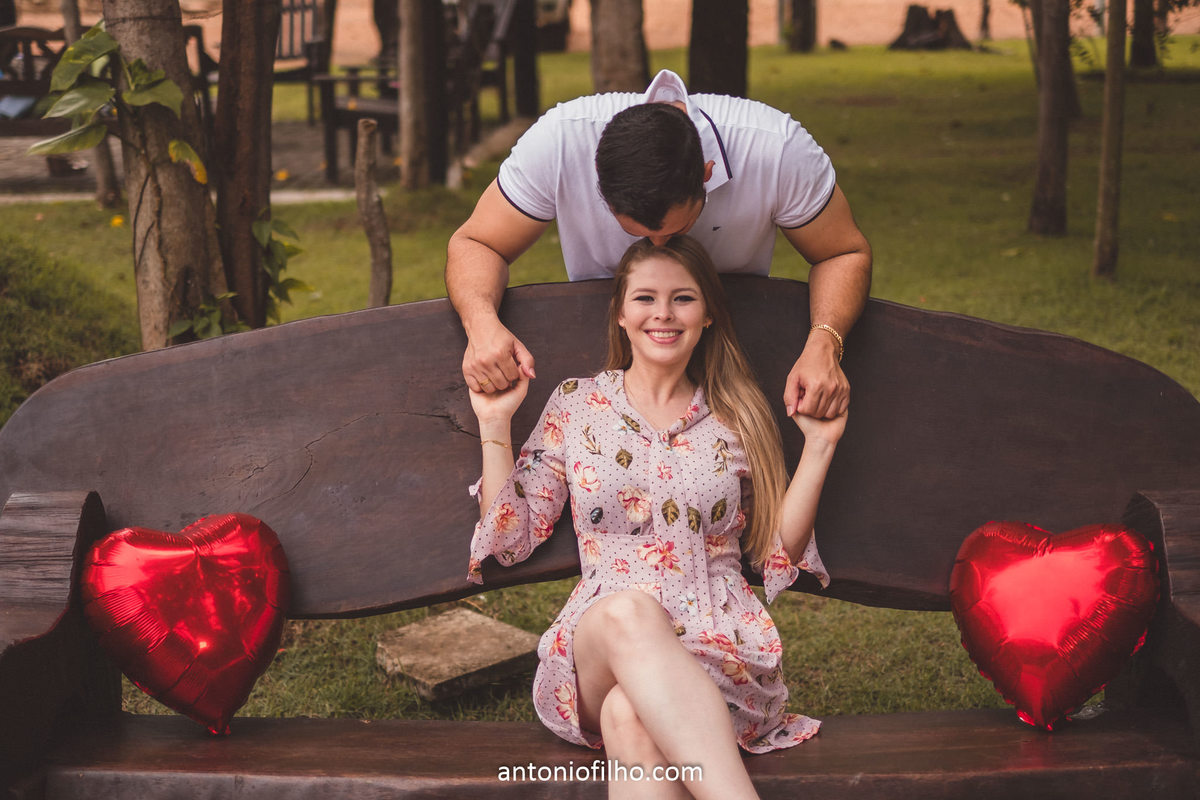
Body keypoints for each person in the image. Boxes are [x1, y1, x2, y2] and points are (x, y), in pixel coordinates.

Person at [467, 236, 845, 798]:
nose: (663, 313)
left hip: (718, 650)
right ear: (621, 313)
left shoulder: (736, 415)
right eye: (645, 298)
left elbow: (775, 552)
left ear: (707, 314)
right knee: (628, 612)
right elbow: (510, 536)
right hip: (599, 648)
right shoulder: (577, 405)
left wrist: (820, 445)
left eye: (683, 298)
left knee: (630, 715)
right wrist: (494, 423)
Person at [447, 69, 871, 421]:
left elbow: (843, 252)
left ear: (706, 174)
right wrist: (481, 325)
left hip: (735, 358)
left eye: (677, 228)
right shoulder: (558, 143)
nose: (657, 246)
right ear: (599, 184)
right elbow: (477, 242)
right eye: (637, 232)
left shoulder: (777, 149)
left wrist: (825, 343)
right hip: (607, 353)